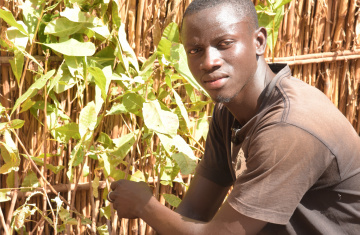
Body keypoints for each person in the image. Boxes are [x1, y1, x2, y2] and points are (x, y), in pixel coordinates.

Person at [108, 0, 360, 234]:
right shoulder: (229, 112)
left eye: (224, 44)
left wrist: (145, 206)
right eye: (195, 50)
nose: (209, 62)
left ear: (259, 41)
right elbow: (195, 211)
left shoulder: (289, 126)